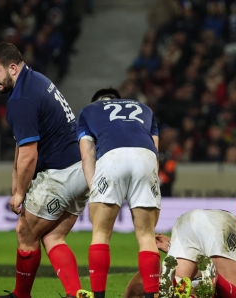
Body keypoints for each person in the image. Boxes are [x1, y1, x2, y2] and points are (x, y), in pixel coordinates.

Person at [0, 42, 92, 298]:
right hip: (84, 170)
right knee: (53, 238)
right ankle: (75, 294)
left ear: (12, 68)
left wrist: (19, 193)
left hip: (60, 173)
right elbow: (22, 144)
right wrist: (15, 181)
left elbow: (29, 155)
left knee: (25, 232)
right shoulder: (36, 80)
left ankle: (20, 295)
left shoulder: (21, 99)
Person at [77, 88, 161, 298]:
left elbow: (87, 155)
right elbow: (155, 149)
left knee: (101, 234)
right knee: (146, 235)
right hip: (146, 158)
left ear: (97, 102)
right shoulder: (145, 109)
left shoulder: (89, 111)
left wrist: (94, 187)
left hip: (112, 157)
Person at [123, 209, 236, 298]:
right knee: (233, 294)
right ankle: (215, 279)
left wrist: (173, 247)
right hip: (222, 224)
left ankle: (186, 290)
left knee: (175, 290)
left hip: (187, 220)